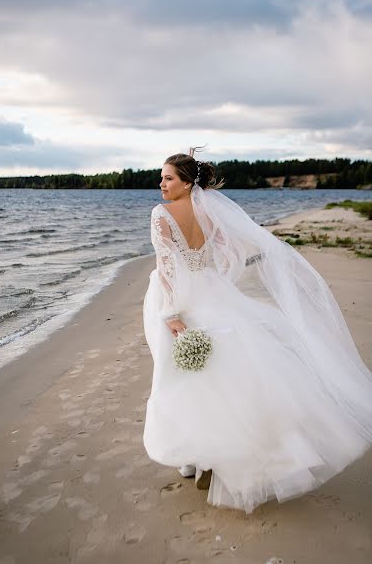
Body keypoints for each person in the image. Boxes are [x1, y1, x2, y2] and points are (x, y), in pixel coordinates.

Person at [142, 148, 372, 515]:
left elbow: (166, 266)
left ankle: (191, 457)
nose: (162, 184)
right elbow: (228, 252)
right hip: (212, 291)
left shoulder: (161, 215)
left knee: (177, 373)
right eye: (162, 177)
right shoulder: (209, 210)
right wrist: (217, 279)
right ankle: (206, 454)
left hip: (179, 299)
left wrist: (171, 315)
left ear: (187, 183)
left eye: (169, 177)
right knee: (221, 372)